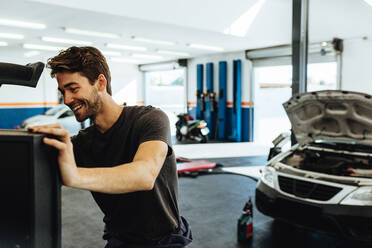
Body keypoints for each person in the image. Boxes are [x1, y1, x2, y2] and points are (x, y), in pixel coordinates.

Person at [28, 46, 192, 248]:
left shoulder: (149, 119)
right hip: (119, 240)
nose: (67, 100)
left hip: (164, 241)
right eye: (63, 92)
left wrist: (76, 176)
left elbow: (144, 175)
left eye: (73, 88)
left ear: (100, 83)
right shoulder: (80, 144)